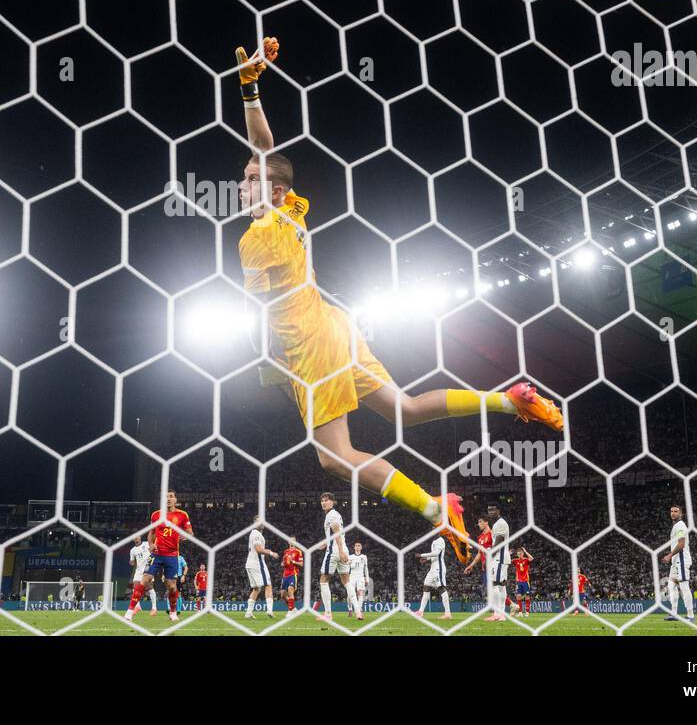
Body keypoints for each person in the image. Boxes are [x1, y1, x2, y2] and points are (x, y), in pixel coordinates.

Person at [233, 36, 562, 562]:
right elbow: (265, 148)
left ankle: (436, 509)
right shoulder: (292, 211)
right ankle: (511, 399)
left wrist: (269, 363)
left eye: (251, 180)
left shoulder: (258, 237)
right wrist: (250, 87)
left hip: (311, 345)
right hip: (337, 324)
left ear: (273, 192)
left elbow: (262, 318)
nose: (242, 182)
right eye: (244, 178)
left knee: (334, 458)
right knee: (403, 410)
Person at [127, 490, 193, 623]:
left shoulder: (182, 515)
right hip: (156, 554)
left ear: (175, 500)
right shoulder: (156, 515)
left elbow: (190, 533)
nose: (168, 499)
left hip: (172, 554)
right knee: (145, 579)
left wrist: (185, 537)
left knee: (172, 586)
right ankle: (130, 611)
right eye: (166, 497)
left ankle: (173, 613)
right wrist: (151, 544)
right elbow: (151, 533)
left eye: (171, 497)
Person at [314, 492, 359, 623]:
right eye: (322, 500)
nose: (323, 502)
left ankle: (328, 614)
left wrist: (339, 550)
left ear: (333, 502)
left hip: (335, 551)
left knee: (323, 580)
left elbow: (337, 532)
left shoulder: (331, 515)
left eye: (326, 500)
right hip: (342, 549)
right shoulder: (337, 515)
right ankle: (357, 611)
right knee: (346, 581)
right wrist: (326, 543)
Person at [660, 504, 694, 622]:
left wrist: (669, 555)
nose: (673, 513)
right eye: (671, 511)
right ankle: (674, 613)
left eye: (676, 511)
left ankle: (690, 615)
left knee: (684, 587)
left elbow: (681, 543)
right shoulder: (676, 526)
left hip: (681, 560)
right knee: (671, 586)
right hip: (675, 562)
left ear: (681, 514)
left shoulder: (680, 526)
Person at [244, 519, 277, 618]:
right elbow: (258, 549)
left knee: (256, 589)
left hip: (249, 563)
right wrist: (271, 553)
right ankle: (270, 611)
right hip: (257, 563)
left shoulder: (253, 533)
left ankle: (248, 613)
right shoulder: (256, 534)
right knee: (268, 585)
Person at [415, 534, 452, 619]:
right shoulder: (434, 541)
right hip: (432, 569)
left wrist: (422, 555)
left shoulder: (440, 540)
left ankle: (447, 613)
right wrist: (427, 559)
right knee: (426, 587)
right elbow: (434, 557)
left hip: (438, 569)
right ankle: (421, 611)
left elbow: (436, 554)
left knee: (441, 588)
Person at [125, 534, 157, 618]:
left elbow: (154, 548)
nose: (136, 538)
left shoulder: (146, 544)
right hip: (138, 570)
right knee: (135, 587)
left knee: (149, 588)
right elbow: (132, 561)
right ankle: (138, 607)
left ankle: (154, 608)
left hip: (148, 569)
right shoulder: (132, 550)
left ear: (140, 537)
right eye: (134, 537)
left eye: (137, 536)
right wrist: (131, 562)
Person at [281, 538, 304, 613]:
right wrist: (283, 563)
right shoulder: (286, 552)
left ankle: (290, 611)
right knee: (283, 596)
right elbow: (282, 563)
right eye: (291, 540)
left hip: (293, 574)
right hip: (285, 575)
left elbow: (301, 564)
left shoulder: (298, 552)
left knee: (290, 590)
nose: (292, 542)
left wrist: (293, 561)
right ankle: (293, 608)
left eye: (293, 540)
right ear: (288, 542)